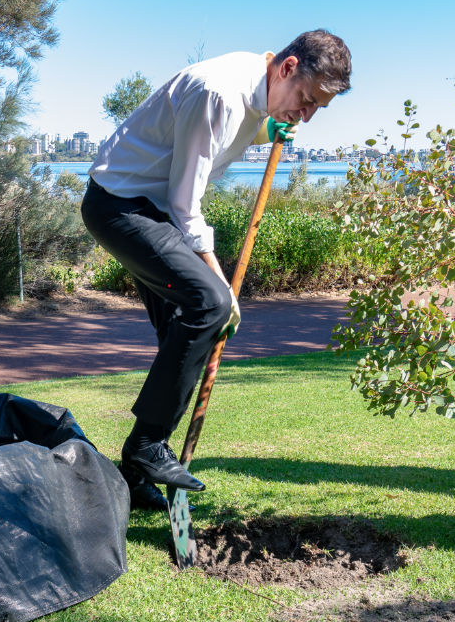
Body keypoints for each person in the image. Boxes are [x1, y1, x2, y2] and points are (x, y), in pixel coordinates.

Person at [81, 30, 352, 510]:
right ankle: (147, 447)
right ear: (287, 68)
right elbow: (187, 204)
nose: (306, 115)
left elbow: (232, 133)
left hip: (149, 207)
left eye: (316, 110)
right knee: (210, 303)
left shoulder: (253, 96)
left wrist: (269, 129)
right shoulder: (219, 92)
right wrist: (221, 282)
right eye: (305, 100)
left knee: (185, 337)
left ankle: (134, 469)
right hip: (121, 207)